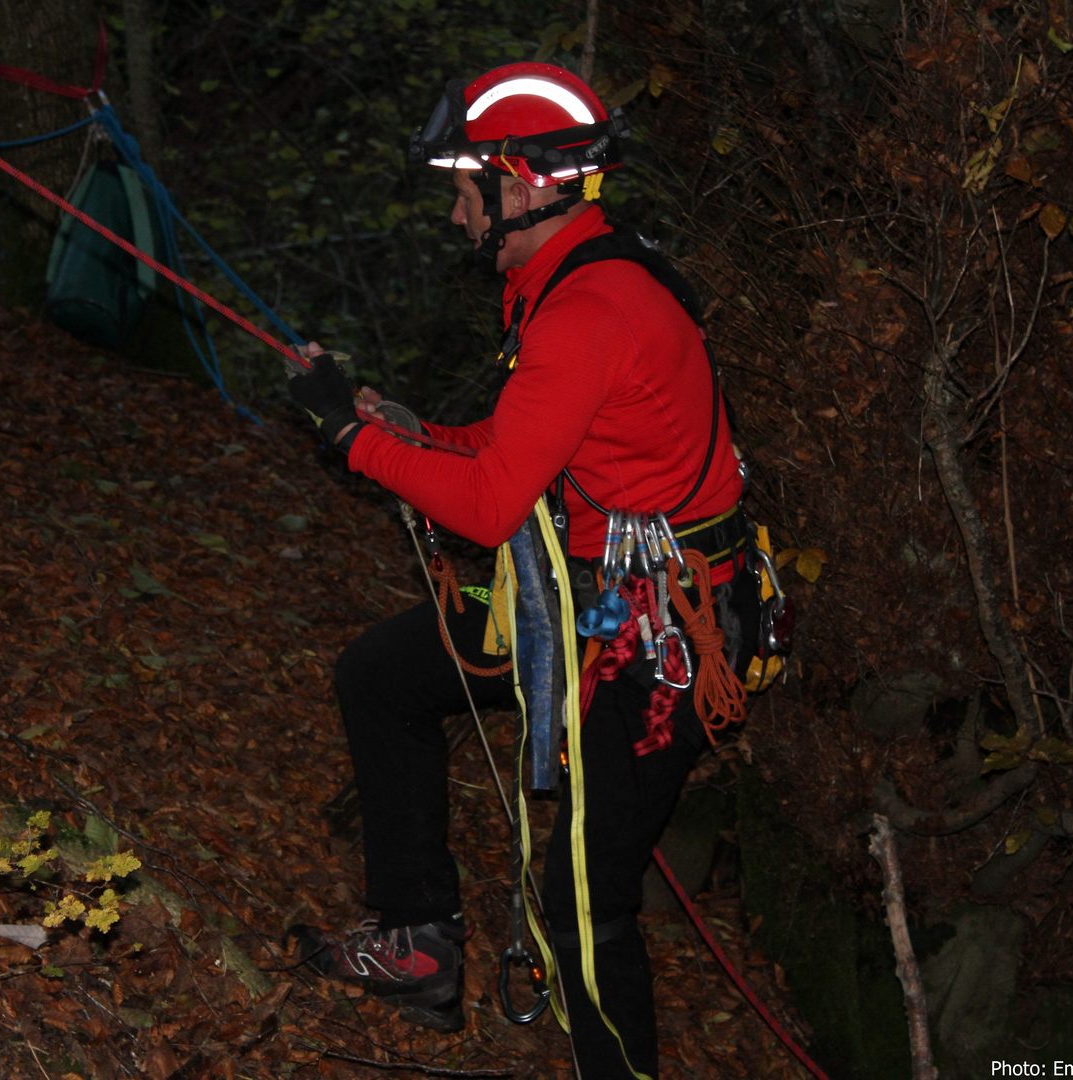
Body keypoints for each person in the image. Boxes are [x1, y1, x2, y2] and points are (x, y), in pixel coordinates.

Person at [285, 62, 746, 1079]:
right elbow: (514, 445)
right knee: (384, 678)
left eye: (465, 192)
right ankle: (418, 943)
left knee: (583, 901)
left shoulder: (589, 311)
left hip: (646, 641)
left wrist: (348, 446)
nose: (456, 216)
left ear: (526, 185)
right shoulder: (580, 276)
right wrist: (401, 431)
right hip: (587, 604)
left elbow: (495, 506)